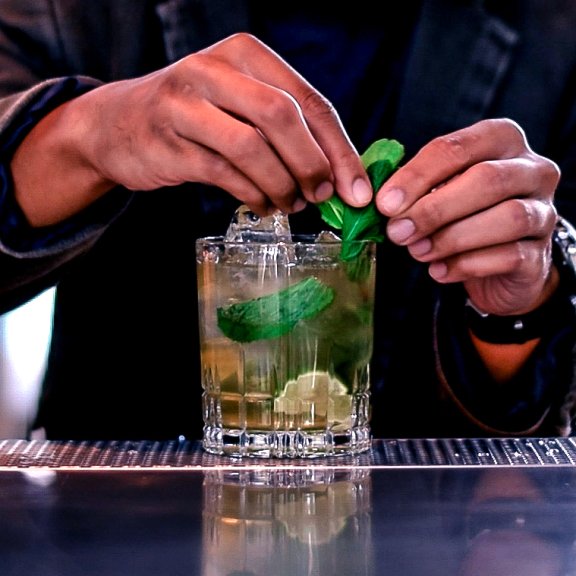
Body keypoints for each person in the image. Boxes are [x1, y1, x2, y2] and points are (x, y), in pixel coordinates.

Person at [0, 0, 575, 441]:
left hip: (439, 526)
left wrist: (521, 309)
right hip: (116, 515)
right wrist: (87, 136)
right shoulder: (72, 10)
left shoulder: (559, 28)